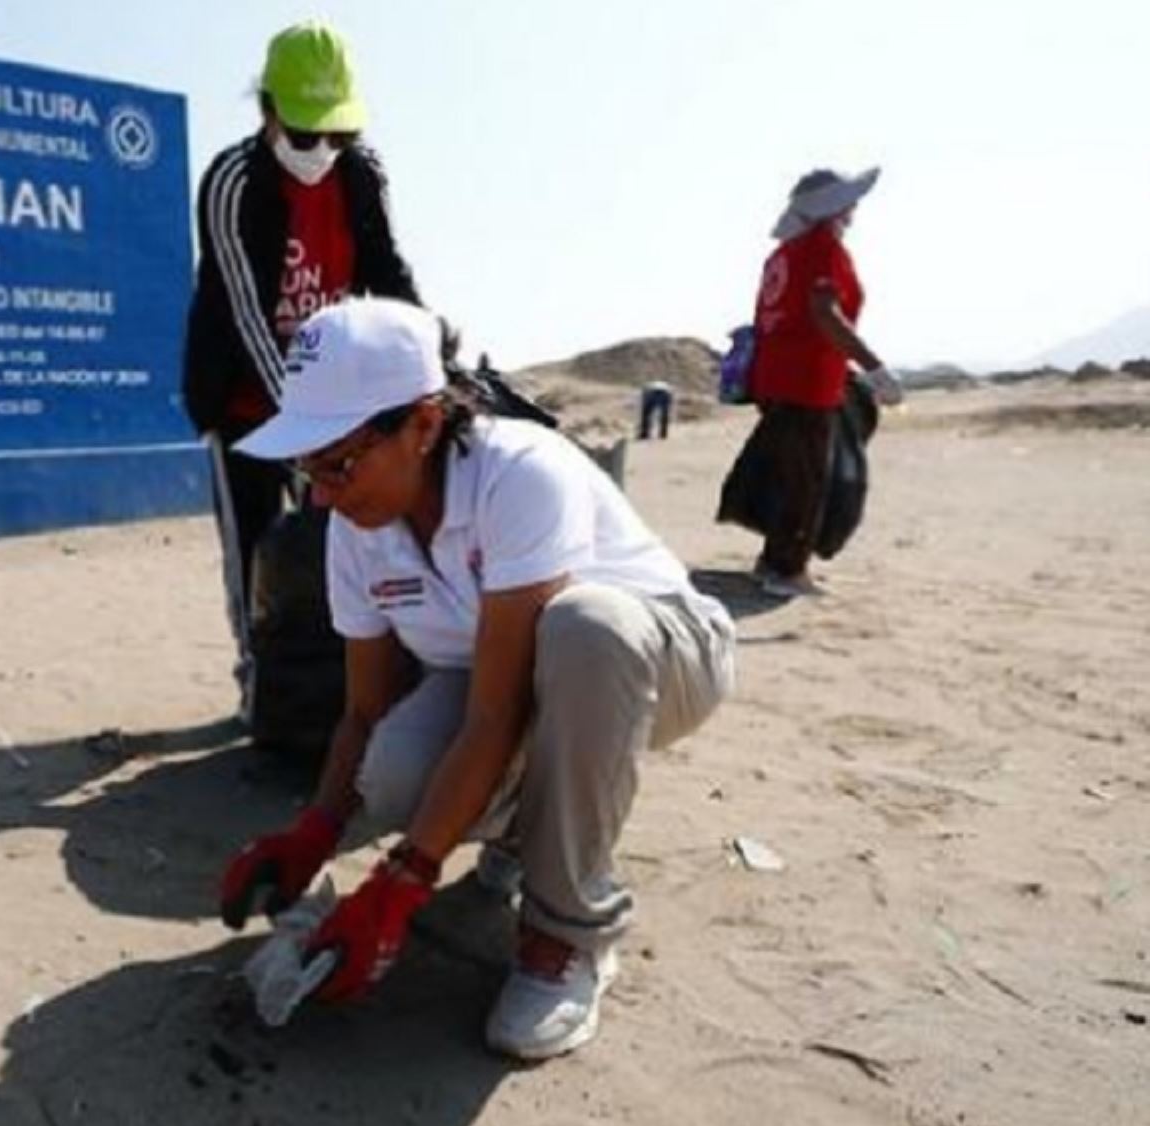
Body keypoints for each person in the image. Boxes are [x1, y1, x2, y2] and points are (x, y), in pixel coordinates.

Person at [216, 298, 736, 1060]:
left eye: (336, 462)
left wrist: (403, 881)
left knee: (584, 627)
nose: (320, 493)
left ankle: (569, 933)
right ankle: (533, 838)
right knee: (391, 771)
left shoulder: (519, 474)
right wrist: (317, 831)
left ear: (423, 424)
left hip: (657, 660)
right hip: (519, 682)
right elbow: (364, 712)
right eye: (306, 466)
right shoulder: (358, 524)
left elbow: (496, 713)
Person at [183, 20, 421, 717]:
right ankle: (261, 692)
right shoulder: (232, 181)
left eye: (337, 135)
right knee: (257, 554)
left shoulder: (363, 175)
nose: (322, 152)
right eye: (305, 134)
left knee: (352, 547)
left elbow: (388, 277)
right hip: (247, 409)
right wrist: (300, 420)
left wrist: (426, 361)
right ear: (268, 112)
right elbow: (242, 311)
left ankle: (347, 692)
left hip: (333, 406)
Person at [745, 167, 902, 597]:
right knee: (809, 477)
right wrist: (874, 367)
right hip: (805, 381)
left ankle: (773, 560)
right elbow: (823, 314)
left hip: (776, 377)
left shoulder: (783, 253)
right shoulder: (820, 248)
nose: (854, 209)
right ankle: (787, 570)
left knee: (790, 471)